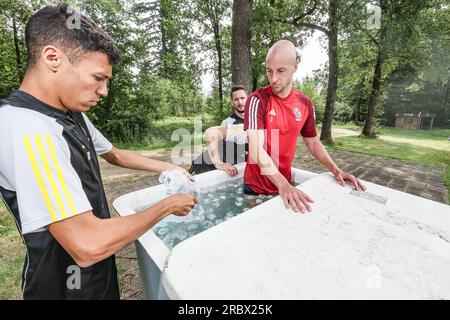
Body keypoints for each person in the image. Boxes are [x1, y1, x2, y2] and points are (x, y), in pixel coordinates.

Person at [0, 4, 196, 300]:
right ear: (52, 58)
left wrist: (168, 168)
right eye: (97, 78)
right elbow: (87, 243)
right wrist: (167, 206)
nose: (103, 91)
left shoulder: (68, 113)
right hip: (61, 288)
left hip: (94, 276)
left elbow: (115, 154)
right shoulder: (27, 128)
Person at [243, 40, 366, 213]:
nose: (274, 79)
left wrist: (336, 170)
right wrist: (284, 185)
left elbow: (313, 143)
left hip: (284, 185)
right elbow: (256, 150)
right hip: (256, 188)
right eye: (269, 71)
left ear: (295, 66)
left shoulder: (305, 103)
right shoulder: (257, 100)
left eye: (281, 71)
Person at [189, 85, 248, 176]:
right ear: (232, 102)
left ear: (248, 99)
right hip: (204, 166)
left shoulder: (256, 120)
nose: (240, 102)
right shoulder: (227, 123)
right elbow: (213, 140)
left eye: (242, 98)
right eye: (236, 99)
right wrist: (218, 163)